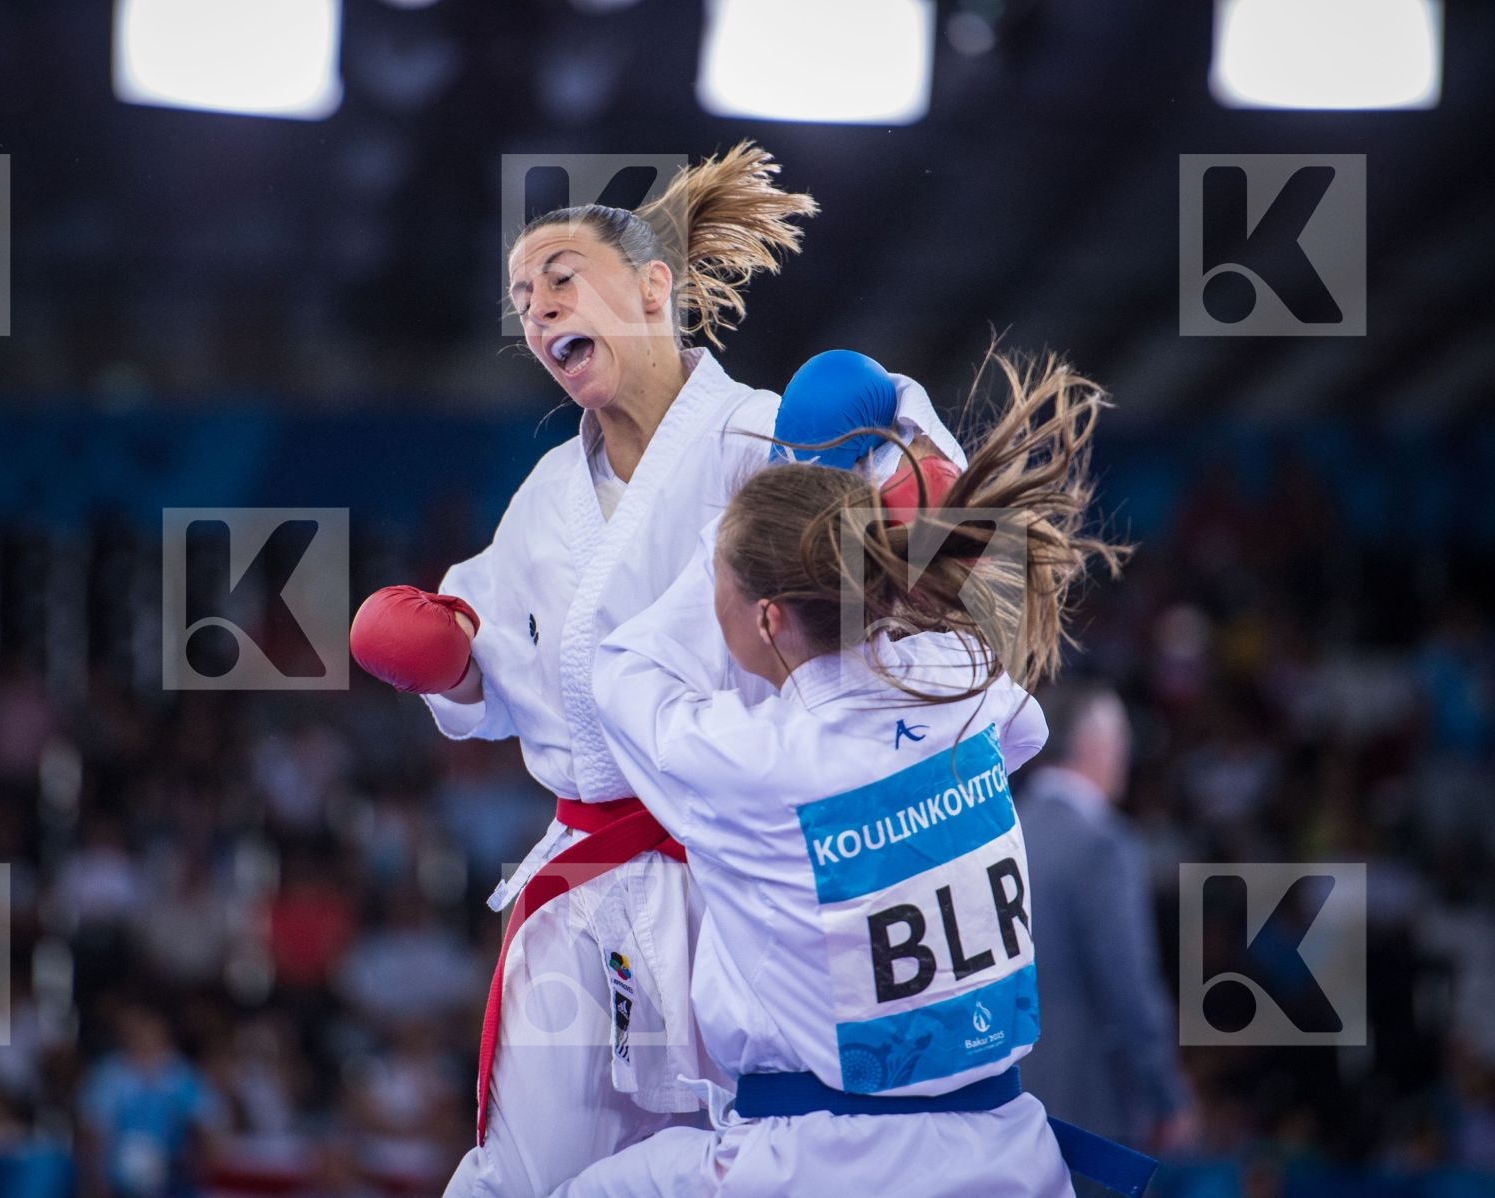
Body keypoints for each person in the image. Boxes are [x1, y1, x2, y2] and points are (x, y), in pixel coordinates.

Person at [347, 142, 817, 1197]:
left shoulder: (765, 440)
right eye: (522, 296)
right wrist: (447, 657)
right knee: (525, 1170)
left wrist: (906, 487)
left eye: (559, 278)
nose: (536, 308)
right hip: (588, 876)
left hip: (739, 879)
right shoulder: (552, 489)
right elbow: (486, 655)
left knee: (759, 1166)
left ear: (655, 287)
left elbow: (875, 587)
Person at [557, 351, 1141, 1196]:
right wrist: (878, 446)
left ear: (763, 614)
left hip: (821, 1169)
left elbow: (617, 671)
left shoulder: (751, 765)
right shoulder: (971, 692)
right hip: (1011, 1160)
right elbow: (1019, 716)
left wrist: (753, 505)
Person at [1018, 681, 1194, 1183]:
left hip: (1001, 1107)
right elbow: (1129, 988)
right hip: (1090, 1110)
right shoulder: (1102, 845)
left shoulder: (1000, 833)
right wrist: (1166, 1096)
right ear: (1096, 745)